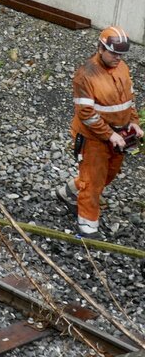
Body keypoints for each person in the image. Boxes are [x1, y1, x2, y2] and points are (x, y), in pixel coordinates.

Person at [55, 26, 142, 238]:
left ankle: (68, 191)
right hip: (93, 137)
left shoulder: (122, 69)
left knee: (107, 174)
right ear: (101, 48)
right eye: (113, 53)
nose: (117, 58)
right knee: (93, 181)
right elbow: (87, 114)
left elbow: (129, 101)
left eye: (121, 54)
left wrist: (134, 123)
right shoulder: (86, 75)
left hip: (119, 135)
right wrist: (109, 134)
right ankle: (87, 225)